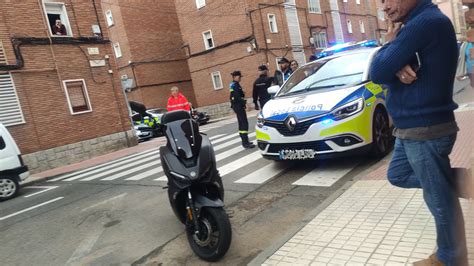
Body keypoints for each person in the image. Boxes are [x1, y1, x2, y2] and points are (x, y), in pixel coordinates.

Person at [369, 0, 469, 265]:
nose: (384, 7)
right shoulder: (417, 23)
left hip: (424, 126)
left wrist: (390, 46)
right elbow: (386, 74)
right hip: (410, 126)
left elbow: (376, 71)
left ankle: (450, 259)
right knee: (399, 175)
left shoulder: (423, 22)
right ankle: (466, 182)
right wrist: (396, 64)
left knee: (439, 199)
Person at [230, 71, 255, 149]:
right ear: (235, 77)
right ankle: (245, 143)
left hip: (237, 106)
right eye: (239, 77)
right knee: (244, 124)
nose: (240, 78)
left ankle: (245, 141)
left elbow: (235, 96)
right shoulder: (234, 85)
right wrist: (246, 104)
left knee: (241, 124)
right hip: (238, 106)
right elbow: (237, 97)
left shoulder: (234, 85)